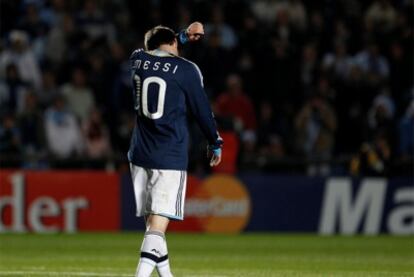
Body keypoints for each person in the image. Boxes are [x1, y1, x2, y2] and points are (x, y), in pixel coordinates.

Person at [128, 22, 223, 277]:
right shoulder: (187, 70)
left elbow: (153, 49)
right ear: (172, 43)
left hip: (139, 154)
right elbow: (202, 111)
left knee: (152, 225)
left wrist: (180, 36)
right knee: (158, 227)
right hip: (168, 154)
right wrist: (214, 141)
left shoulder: (136, 60)